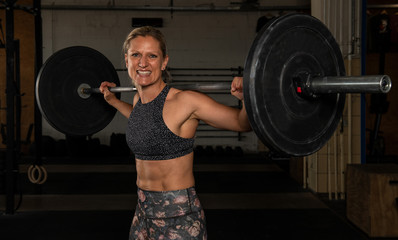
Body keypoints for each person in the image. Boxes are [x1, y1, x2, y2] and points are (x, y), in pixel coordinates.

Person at [99, 26, 251, 240]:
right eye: (136, 55)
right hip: (142, 213)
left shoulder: (186, 101)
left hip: (179, 217)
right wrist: (114, 101)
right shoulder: (138, 102)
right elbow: (144, 122)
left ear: (164, 62)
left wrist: (247, 98)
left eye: (152, 56)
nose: (142, 63)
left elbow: (241, 123)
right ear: (126, 60)